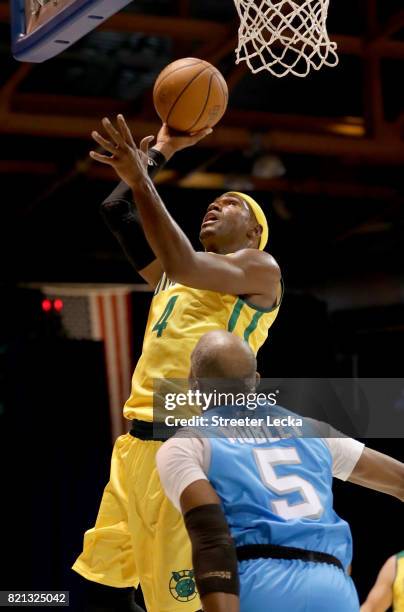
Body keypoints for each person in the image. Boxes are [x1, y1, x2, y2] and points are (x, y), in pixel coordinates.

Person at [72, 116, 283, 612]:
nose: (216, 203)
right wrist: (161, 148)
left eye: (232, 203)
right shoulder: (173, 277)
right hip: (134, 448)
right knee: (133, 592)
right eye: (214, 200)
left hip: (188, 444)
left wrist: (143, 176)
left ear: (254, 232)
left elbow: (184, 260)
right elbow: (115, 209)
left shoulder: (259, 269)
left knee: (182, 603)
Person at [156, 330, 404, 612]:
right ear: (257, 382)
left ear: (192, 383)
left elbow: (211, 538)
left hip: (259, 582)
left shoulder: (185, 445)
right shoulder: (313, 430)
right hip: (333, 586)